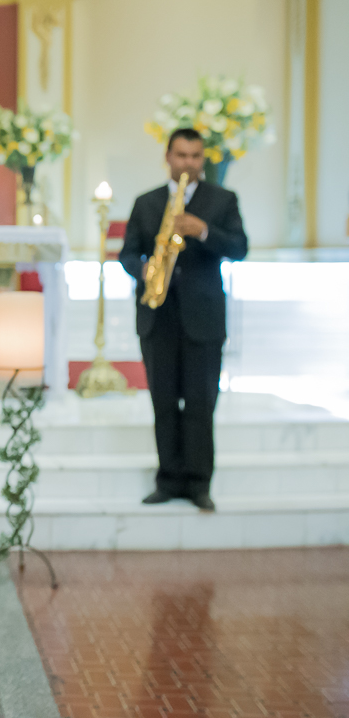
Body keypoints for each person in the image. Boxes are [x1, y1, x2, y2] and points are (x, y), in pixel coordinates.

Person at [119, 127, 248, 512]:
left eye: (195, 156)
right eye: (181, 155)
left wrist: (203, 230)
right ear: (168, 157)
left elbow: (240, 247)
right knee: (163, 401)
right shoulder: (146, 202)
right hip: (157, 316)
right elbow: (127, 253)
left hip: (203, 317)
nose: (188, 163)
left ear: (202, 158)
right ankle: (168, 480)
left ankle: (198, 483)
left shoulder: (222, 200)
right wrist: (144, 270)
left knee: (200, 402)